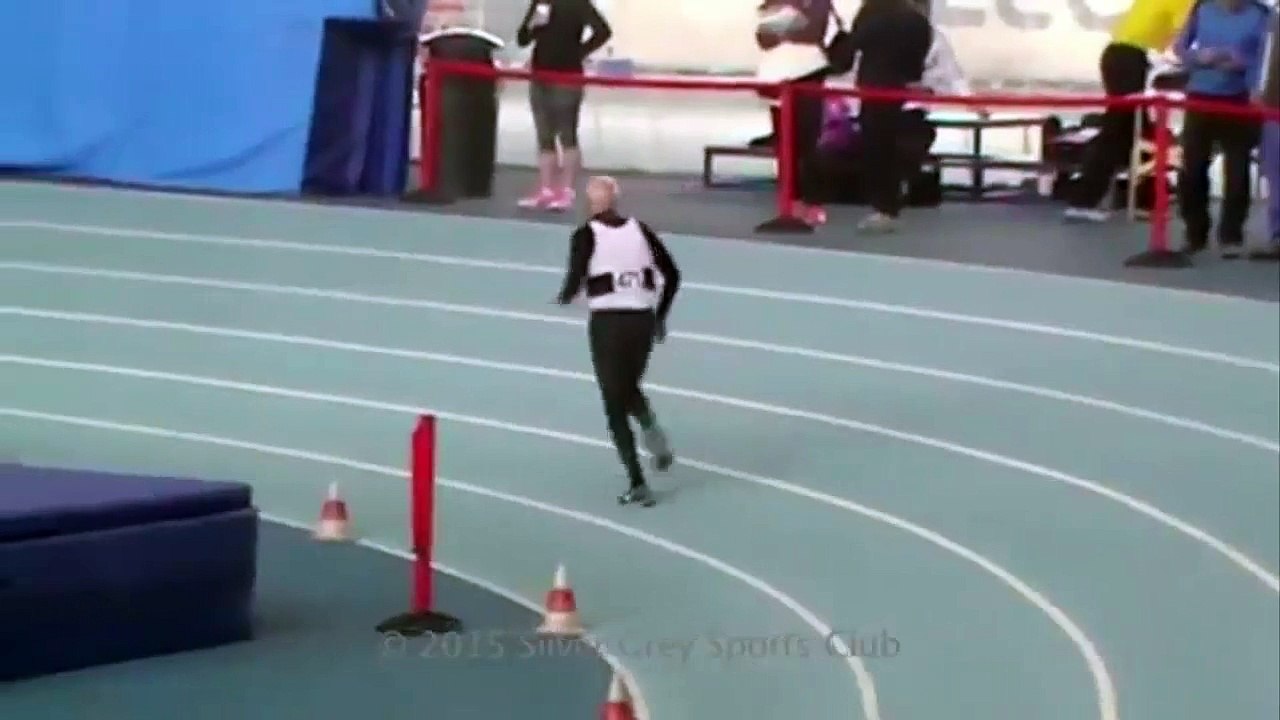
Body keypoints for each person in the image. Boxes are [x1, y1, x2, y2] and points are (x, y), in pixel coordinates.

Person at [555, 176, 679, 507]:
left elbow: (575, 277)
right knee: (626, 387)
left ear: (590, 203)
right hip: (642, 321)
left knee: (613, 400)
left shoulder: (585, 234)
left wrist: (564, 296)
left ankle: (638, 480)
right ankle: (653, 433)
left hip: (609, 323)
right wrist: (660, 316)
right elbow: (673, 274)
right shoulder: (641, 229)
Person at [1063, 0, 1197, 222]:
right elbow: (1180, 41)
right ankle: (1083, 200)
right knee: (1117, 129)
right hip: (1130, 57)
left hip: (1119, 54)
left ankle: (1142, 198)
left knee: (1138, 129)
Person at [1173, 0, 1272, 257]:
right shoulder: (1202, 8)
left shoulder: (1262, 15)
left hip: (1238, 98)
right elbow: (1180, 48)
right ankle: (1195, 233)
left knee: (1237, 169)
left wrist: (1243, 63)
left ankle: (1231, 235)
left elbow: (1267, 58)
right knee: (1193, 168)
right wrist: (1199, 57)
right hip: (1200, 96)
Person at [829, 0, 933, 232]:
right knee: (890, 148)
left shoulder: (873, 14)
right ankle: (889, 203)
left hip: (876, 88)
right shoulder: (917, 20)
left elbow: (846, 55)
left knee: (878, 150)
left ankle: (885, 207)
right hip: (904, 91)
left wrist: (839, 42)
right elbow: (918, 60)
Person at [516, 0, 612, 212]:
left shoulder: (578, 3)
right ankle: (546, 189)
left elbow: (603, 31)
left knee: (567, 133)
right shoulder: (541, 2)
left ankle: (566, 190)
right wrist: (533, 26)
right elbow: (522, 39)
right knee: (544, 134)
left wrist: (579, 52)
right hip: (540, 75)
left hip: (567, 77)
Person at [754, 0, 835, 226]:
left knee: (808, 141)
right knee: (784, 144)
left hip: (807, 74)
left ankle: (812, 201)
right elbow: (764, 39)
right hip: (776, 78)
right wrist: (791, 27)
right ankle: (790, 200)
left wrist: (783, 29)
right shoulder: (772, 5)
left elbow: (812, 32)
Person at [1250, 7, 1279, 261]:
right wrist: (1257, 87)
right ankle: (1277, 234)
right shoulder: (1273, 15)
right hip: (1273, 104)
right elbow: (1264, 54)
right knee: (1275, 171)